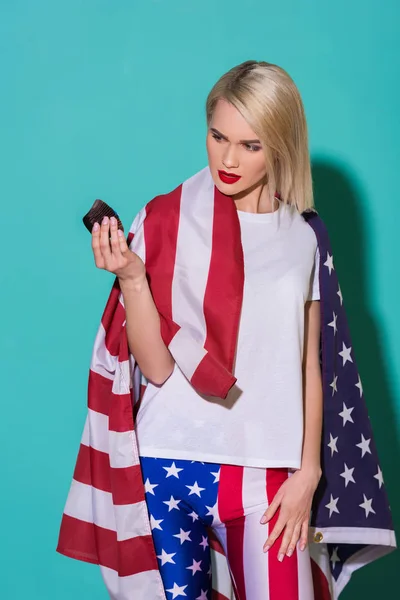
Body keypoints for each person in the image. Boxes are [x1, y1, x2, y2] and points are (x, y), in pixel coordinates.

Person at [90, 60, 322, 599]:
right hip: (167, 460)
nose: (229, 158)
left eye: (251, 144)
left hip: (264, 474)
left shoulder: (304, 238)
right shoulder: (165, 218)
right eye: (218, 136)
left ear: (282, 145)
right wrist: (132, 277)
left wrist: (308, 472)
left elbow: (310, 362)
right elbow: (156, 367)